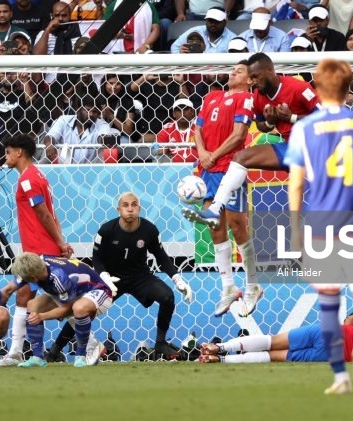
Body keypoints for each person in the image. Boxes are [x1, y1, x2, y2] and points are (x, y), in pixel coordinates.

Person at [284, 59, 353, 394]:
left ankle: (340, 376)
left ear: (316, 86)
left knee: (329, 302)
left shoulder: (304, 128)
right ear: (348, 87)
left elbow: (296, 184)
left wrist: (296, 227)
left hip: (320, 225)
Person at [183, 52, 318, 258]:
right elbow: (263, 126)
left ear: (270, 71)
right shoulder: (257, 96)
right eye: (251, 78)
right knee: (241, 157)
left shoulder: (299, 88)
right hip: (292, 148)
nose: (253, 82)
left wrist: (290, 117)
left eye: (255, 77)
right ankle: (215, 208)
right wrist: (271, 121)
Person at [183, 61, 261, 318]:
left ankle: (253, 285)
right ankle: (228, 286)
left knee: (238, 226)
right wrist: (203, 154)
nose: (233, 72)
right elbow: (198, 129)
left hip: (231, 168)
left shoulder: (246, 99)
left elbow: (239, 136)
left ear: (250, 79)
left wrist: (213, 155)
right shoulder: (211, 96)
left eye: (239, 71)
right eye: (233, 69)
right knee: (214, 225)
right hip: (209, 169)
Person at [0, 133, 74, 366]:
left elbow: (43, 213)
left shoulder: (27, 180)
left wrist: (59, 243)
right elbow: (50, 213)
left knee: (60, 301)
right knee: (30, 296)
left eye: (8, 152)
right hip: (40, 247)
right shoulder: (38, 175)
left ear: (19, 152)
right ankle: (16, 352)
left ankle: (91, 345)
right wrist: (61, 241)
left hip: (40, 249)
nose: (5, 156)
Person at [87, 192, 193, 356]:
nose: (130, 209)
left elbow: (162, 258)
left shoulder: (149, 230)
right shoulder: (106, 230)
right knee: (83, 309)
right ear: (118, 209)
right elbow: (96, 258)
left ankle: (160, 343)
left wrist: (177, 279)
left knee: (167, 297)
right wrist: (104, 276)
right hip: (112, 280)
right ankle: (56, 350)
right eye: (126, 205)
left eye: (134, 204)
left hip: (140, 277)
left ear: (139, 208)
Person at [1, 253, 114, 368]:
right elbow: (11, 287)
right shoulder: (37, 263)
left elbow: (67, 309)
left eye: (27, 280)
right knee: (32, 305)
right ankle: (37, 357)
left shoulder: (59, 279)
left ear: (34, 278)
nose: (25, 282)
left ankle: (81, 356)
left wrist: (41, 317)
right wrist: (0, 298)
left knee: (78, 308)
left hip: (99, 291)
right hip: (75, 291)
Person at [199, 314, 353, 364]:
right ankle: (219, 361)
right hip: (335, 354)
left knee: (272, 340)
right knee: (274, 356)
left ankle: (218, 347)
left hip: (330, 332)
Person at [171, 8, 235, 54]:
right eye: (210, 21)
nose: (213, 24)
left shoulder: (232, 38)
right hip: (195, 69)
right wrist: (179, 53)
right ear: (206, 21)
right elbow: (174, 47)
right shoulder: (195, 31)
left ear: (225, 22)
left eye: (216, 21)